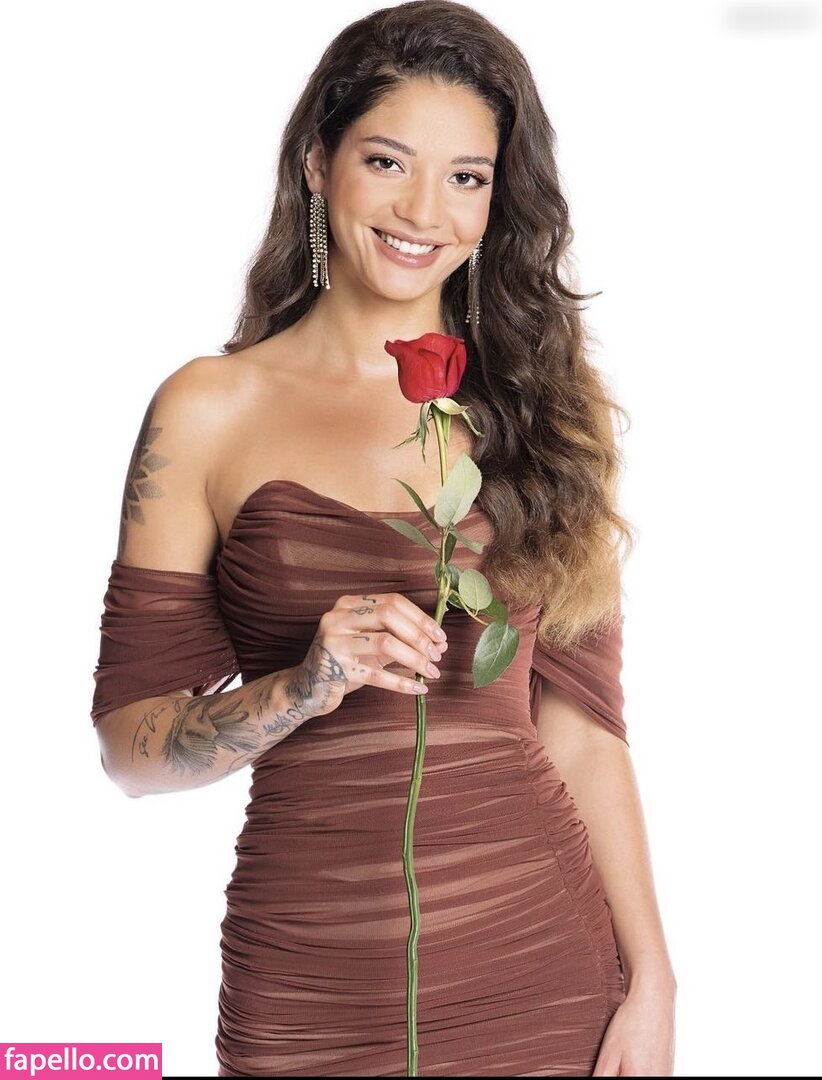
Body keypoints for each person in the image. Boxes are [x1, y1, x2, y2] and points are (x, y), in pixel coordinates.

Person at [90, 1, 676, 1074]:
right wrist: (303, 685)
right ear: (319, 164)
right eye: (387, 161)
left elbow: (583, 731)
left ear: (499, 199)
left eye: (468, 177)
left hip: (539, 968)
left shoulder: (544, 412)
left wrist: (653, 984)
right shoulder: (208, 409)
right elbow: (130, 751)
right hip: (304, 986)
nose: (424, 211)